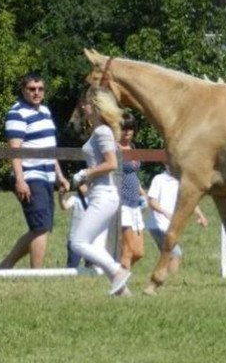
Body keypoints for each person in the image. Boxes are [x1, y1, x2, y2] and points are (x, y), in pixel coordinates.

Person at [0, 73, 70, 269]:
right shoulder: (17, 113)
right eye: (32, 89)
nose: (37, 93)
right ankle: (37, 274)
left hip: (47, 175)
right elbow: (15, 150)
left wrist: (60, 176)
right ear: (23, 90)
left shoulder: (45, 111)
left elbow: (49, 148)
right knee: (40, 227)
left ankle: (5, 265)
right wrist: (20, 180)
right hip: (29, 175)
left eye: (40, 89)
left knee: (41, 227)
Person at [70, 87, 131, 296]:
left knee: (78, 242)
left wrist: (86, 173)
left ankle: (118, 271)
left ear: (94, 106)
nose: (83, 107)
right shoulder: (100, 131)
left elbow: (112, 164)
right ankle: (122, 291)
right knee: (96, 246)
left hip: (104, 195)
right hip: (101, 193)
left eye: (85, 104)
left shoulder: (102, 132)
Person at [145, 166, 208, 278]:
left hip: (171, 225)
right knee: (175, 253)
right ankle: (172, 279)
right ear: (165, 164)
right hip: (157, 225)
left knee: (167, 254)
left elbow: (188, 200)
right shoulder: (159, 179)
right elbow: (152, 201)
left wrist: (201, 215)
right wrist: (165, 213)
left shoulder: (181, 181)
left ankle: (162, 277)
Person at [118, 113, 146, 270]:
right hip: (122, 203)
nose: (127, 131)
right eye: (124, 128)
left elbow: (134, 174)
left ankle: (117, 269)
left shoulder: (133, 147)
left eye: (131, 128)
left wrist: (143, 193)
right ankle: (121, 281)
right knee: (128, 250)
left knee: (139, 252)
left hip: (135, 202)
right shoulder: (114, 148)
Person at [57, 181, 108, 269]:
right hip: (74, 238)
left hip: (91, 240)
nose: (84, 187)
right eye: (81, 184)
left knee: (92, 267)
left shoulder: (95, 199)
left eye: (86, 184)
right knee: (72, 266)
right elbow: (64, 206)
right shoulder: (74, 198)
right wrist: (60, 197)